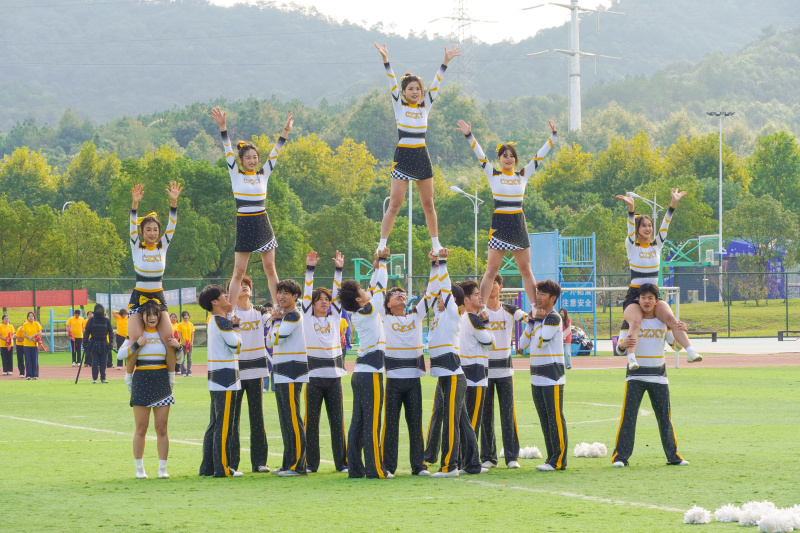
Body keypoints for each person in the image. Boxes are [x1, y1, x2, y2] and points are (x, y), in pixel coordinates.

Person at [455, 119, 557, 308]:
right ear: (499, 158)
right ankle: (481, 308)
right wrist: (469, 135)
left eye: (511, 156)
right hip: (499, 224)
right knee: (491, 270)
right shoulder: (493, 174)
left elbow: (539, 157)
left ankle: (535, 308)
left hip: (518, 223)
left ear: (515, 159)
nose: (508, 159)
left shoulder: (522, 175)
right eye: (505, 156)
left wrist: (553, 136)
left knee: (525, 269)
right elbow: (480, 155)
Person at [374, 43, 461, 254]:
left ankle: (436, 244)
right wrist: (386, 60)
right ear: (403, 92)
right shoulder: (399, 104)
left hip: (421, 156)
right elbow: (391, 80)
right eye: (410, 89)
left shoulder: (425, 106)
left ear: (422, 92)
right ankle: (382, 244)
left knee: (428, 204)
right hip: (403, 156)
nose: (415, 92)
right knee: (395, 204)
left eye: (418, 89)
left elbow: (437, 83)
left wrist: (445, 62)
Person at [209, 107, 293, 307]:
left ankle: (278, 307)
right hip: (244, 223)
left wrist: (286, 130)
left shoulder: (263, 174)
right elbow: (227, 149)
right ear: (240, 160)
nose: (253, 161)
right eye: (248, 158)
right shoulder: (235, 173)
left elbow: (275, 152)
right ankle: (230, 310)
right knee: (239, 272)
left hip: (262, 222)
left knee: (270, 267)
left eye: (255, 157)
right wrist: (223, 127)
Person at [616, 190, 702, 370]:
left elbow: (665, 225)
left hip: (653, 293)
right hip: (635, 294)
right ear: (637, 229)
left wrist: (673, 204)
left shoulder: (657, 245)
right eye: (643, 226)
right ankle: (631, 358)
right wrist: (631, 209)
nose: (647, 228)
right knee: (636, 322)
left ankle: (691, 351)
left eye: (650, 226)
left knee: (672, 319)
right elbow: (629, 228)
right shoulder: (631, 245)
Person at [611, 283, 690, 467]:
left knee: (665, 419)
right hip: (635, 377)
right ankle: (620, 457)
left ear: (656, 301)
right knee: (628, 418)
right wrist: (622, 345)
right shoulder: (630, 321)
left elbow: (676, 346)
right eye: (643, 298)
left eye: (650, 298)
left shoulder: (663, 322)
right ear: (638, 300)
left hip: (659, 377)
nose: (646, 301)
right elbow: (619, 349)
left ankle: (673, 457)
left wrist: (682, 331)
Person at [379, 251, 439, 477]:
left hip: (413, 379)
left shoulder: (415, 316)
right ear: (387, 303)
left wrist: (435, 265)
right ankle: (388, 466)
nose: (400, 296)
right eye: (395, 294)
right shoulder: (384, 317)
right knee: (391, 425)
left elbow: (432, 294)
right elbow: (376, 293)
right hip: (393, 380)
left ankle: (419, 465)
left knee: (415, 423)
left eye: (402, 294)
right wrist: (381, 263)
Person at [424, 249, 482, 477]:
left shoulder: (451, 313)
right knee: (463, 421)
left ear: (451, 300)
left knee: (451, 421)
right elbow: (434, 288)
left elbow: (445, 287)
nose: (437, 298)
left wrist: (443, 262)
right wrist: (434, 265)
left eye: (441, 296)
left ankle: (449, 466)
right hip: (444, 375)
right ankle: (473, 463)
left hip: (453, 375)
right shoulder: (439, 314)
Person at [338, 248, 393, 479]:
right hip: (370, 374)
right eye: (362, 291)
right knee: (372, 422)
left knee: (358, 423)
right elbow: (380, 288)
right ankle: (375, 469)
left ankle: (356, 468)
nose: (366, 291)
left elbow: (373, 286)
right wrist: (383, 261)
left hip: (361, 373)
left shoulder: (362, 310)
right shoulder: (368, 310)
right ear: (359, 299)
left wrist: (376, 267)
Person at [119, 300, 182, 479]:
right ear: (142, 316)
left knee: (161, 428)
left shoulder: (164, 335)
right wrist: (137, 344)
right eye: (149, 314)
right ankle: (139, 469)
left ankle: (162, 469)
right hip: (142, 380)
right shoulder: (136, 334)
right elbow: (121, 354)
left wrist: (178, 347)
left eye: (156, 314)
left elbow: (179, 360)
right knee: (141, 428)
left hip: (161, 379)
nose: (153, 317)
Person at [302, 250, 348, 474]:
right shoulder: (306, 319)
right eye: (319, 299)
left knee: (337, 422)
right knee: (311, 423)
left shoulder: (335, 317)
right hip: (313, 378)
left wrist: (338, 270)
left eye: (326, 300)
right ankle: (311, 463)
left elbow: (337, 295)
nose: (324, 302)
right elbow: (305, 294)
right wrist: (310, 269)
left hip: (334, 378)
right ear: (312, 303)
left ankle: (342, 463)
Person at [519, 280, 567, 471]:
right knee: (545, 419)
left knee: (555, 418)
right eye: (537, 293)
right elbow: (522, 345)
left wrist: (537, 320)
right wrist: (531, 321)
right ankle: (550, 458)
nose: (537, 297)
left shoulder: (553, 318)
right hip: (536, 376)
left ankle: (559, 460)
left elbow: (542, 341)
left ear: (553, 298)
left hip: (552, 376)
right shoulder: (537, 319)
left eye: (542, 294)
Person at [128, 181, 183, 350]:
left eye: (155, 229)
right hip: (138, 297)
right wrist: (135, 204)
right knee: (135, 340)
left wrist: (173, 202)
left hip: (159, 296)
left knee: (170, 339)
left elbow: (172, 225)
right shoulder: (136, 246)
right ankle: (130, 369)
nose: (152, 233)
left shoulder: (162, 246)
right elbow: (132, 225)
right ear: (142, 231)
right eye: (148, 229)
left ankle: (173, 369)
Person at [198, 284, 245, 478]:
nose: (228, 298)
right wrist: (236, 327)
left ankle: (208, 467)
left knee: (215, 423)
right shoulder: (221, 322)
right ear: (214, 302)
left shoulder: (213, 320)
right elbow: (237, 346)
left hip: (216, 377)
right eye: (224, 296)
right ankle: (223, 468)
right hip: (226, 378)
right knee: (223, 425)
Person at [481, 274, 526, 469]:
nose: (491, 287)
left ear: (500, 286)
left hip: (505, 371)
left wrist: (534, 315)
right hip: (484, 371)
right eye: (488, 283)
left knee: (508, 414)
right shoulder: (479, 312)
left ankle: (512, 457)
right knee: (486, 416)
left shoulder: (510, 310)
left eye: (495, 283)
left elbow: (526, 318)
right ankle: (488, 457)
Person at [265, 278, 309, 477]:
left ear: (295, 296)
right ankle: (287, 463)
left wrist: (274, 321)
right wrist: (275, 321)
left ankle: (298, 465)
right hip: (282, 371)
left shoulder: (293, 315)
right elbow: (269, 341)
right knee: (285, 420)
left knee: (292, 418)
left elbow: (276, 338)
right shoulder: (283, 318)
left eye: (285, 293)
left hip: (292, 371)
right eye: (279, 292)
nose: (280, 296)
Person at [228, 275, 271, 473]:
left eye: (247, 284)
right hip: (235, 372)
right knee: (233, 419)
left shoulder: (260, 312)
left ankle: (260, 462)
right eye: (240, 284)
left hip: (256, 371)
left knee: (257, 418)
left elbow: (272, 322)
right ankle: (231, 463)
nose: (244, 287)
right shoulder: (229, 315)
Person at [456, 280, 495, 473]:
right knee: (472, 423)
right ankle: (469, 462)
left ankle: (461, 460)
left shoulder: (461, 318)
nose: (481, 297)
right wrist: (486, 323)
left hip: (464, 373)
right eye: (477, 294)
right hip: (476, 376)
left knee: (465, 422)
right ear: (466, 299)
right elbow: (491, 343)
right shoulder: (473, 319)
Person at [83, 304, 113, 384]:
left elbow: (110, 332)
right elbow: (86, 332)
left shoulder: (106, 320)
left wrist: (111, 342)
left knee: (103, 362)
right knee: (94, 362)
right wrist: (85, 342)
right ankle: (94, 378)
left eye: (100, 309)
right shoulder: (91, 320)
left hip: (104, 343)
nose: (99, 311)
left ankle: (103, 377)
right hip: (94, 343)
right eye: (97, 309)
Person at [21, 311, 42, 380]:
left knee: (35, 359)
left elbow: (40, 332)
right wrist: (30, 338)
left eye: (32, 316)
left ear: (34, 317)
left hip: (34, 344)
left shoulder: (36, 323)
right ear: (27, 317)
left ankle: (35, 374)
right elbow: (24, 334)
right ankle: (28, 375)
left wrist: (33, 336)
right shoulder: (25, 324)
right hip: (27, 344)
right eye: (29, 316)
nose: (31, 317)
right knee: (28, 360)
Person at [176, 311, 195, 377]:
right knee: (182, 359)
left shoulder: (191, 324)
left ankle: (189, 372)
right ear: (182, 317)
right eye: (184, 315)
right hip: (183, 344)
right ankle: (183, 372)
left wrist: (191, 341)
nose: (186, 317)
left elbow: (192, 334)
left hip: (189, 344)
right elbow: (179, 334)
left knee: (189, 358)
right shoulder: (180, 325)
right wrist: (183, 342)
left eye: (187, 315)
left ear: (189, 316)